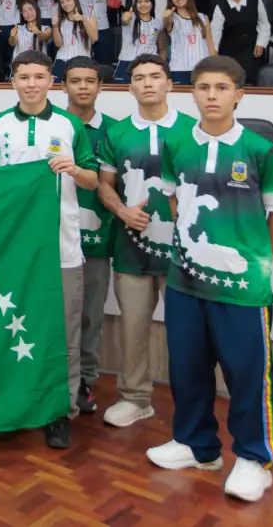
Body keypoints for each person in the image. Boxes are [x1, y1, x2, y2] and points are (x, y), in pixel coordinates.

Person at [148, 56, 273, 503]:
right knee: (187, 367)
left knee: (248, 373)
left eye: (221, 88)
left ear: (238, 95)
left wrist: (259, 264)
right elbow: (173, 203)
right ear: (192, 93)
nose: (212, 96)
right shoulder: (177, 145)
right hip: (186, 281)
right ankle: (196, 445)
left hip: (244, 288)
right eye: (204, 87)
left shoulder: (260, 150)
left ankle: (253, 457)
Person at [0, 49, 99, 449]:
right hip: (13, 248)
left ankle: (58, 411)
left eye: (38, 76)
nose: (31, 83)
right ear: (12, 81)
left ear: (53, 81)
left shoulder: (69, 125)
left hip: (62, 244)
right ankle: (13, 406)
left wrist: (75, 169)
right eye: (23, 76)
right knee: (8, 325)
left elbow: (92, 181)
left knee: (63, 331)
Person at [95, 54, 195, 429]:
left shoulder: (193, 129)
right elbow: (104, 186)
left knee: (186, 335)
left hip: (184, 254)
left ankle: (190, 403)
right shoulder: (117, 133)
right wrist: (121, 211)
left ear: (170, 83)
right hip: (131, 250)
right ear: (129, 86)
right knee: (133, 330)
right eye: (140, 77)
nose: (148, 83)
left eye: (156, 76)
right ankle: (135, 398)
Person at [60, 58, 117, 417]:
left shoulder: (114, 131)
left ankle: (84, 381)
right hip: (52, 240)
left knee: (90, 316)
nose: (82, 87)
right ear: (63, 86)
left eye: (89, 81)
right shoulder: (51, 125)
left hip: (96, 241)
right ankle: (53, 379)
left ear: (100, 87)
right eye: (75, 81)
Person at [210, 0, 271, 86]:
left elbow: (264, 24)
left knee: (251, 81)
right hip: (229, 51)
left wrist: (261, 44)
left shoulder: (255, 1)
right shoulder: (221, 6)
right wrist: (215, 53)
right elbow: (216, 31)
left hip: (251, 49)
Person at [162, 0, 215, 86]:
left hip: (202, 69)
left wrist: (215, 66)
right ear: (171, 0)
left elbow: (211, 46)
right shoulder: (172, 18)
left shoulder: (203, 17)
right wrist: (166, 16)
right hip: (179, 70)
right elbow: (167, 21)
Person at [50, 0, 96, 81]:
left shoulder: (89, 17)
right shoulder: (59, 20)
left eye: (68, 0)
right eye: (62, 2)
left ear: (75, 0)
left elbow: (95, 38)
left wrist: (83, 19)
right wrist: (55, 26)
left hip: (82, 61)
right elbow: (58, 44)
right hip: (61, 60)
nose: (65, 4)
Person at [116, 0, 161, 83]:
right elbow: (124, 20)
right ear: (135, 5)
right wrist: (125, 17)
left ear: (152, 4)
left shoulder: (158, 23)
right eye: (139, 2)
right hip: (127, 62)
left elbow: (161, 46)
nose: (143, 4)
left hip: (150, 64)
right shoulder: (130, 17)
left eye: (146, 1)